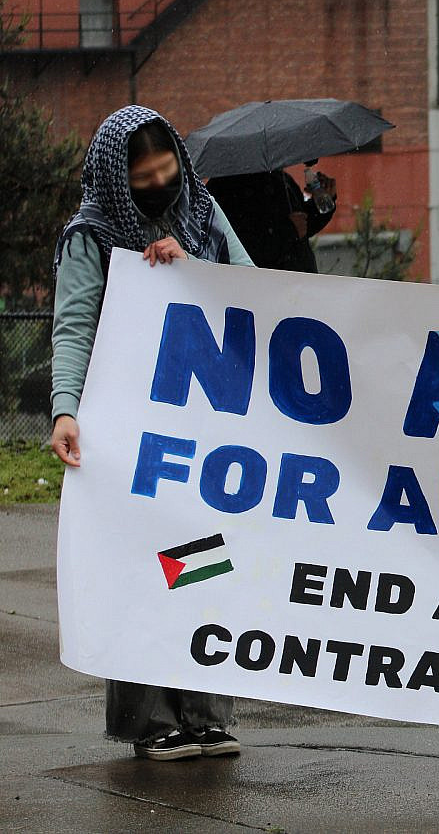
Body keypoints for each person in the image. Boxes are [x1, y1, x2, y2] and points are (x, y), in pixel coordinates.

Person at [50, 105, 255, 762]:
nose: (161, 182)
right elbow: (75, 322)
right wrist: (65, 409)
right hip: (130, 430)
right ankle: (150, 719)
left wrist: (192, 264)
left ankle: (206, 711)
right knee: (144, 568)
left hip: (205, 422)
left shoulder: (204, 213)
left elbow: (256, 292)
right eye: (144, 175)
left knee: (205, 561)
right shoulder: (92, 234)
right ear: (117, 177)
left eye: (167, 166)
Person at [206, 162, 336, 273]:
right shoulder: (225, 188)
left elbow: (302, 226)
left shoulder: (280, 178)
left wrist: (322, 202)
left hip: (299, 283)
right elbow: (242, 250)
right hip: (267, 287)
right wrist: (289, 230)